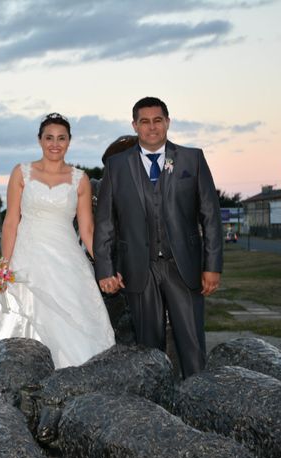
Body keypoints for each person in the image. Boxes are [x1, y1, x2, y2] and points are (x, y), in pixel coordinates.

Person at [0, 113, 116, 397]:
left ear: (69, 142)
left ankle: (73, 393)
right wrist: (4, 267)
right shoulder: (21, 173)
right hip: (27, 258)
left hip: (67, 261)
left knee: (75, 322)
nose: (55, 144)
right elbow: (11, 221)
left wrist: (107, 267)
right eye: (49, 138)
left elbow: (88, 231)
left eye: (61, 138)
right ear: (39, 140)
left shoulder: (79, 179)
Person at [93, 97, 222, 378]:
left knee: (192, 343)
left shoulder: (192, 158)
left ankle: (198, 403)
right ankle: (154, 412)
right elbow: (104, 223)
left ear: (167, 122)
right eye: (145, 121)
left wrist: (212, 266)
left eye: (157, 120)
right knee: (148, 349)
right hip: (138, 268)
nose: (152, 127)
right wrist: (104, 269)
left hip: (183, 266)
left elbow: (210, 215)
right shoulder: (117, 166)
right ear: (135, 125)